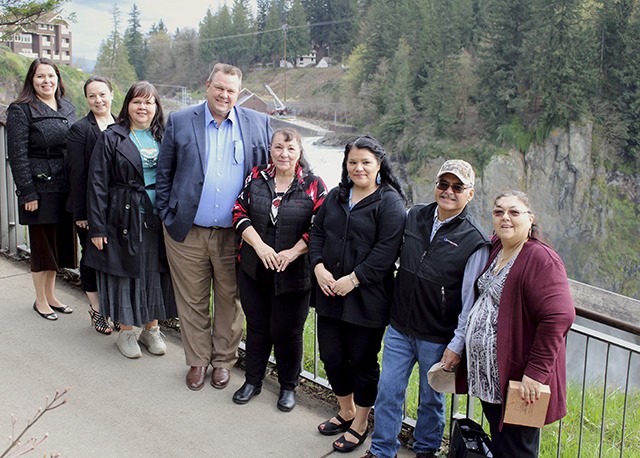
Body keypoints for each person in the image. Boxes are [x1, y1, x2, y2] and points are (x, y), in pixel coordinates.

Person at [362, 160, 490, 458]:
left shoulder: (475, 240)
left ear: (469, 194)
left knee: (431, 400)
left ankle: (426, 451)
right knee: (388, 392)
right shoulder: (415, 215)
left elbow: (470, 301)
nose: (448, 192)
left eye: (457, 187)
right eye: (443, 184)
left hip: (437, 335)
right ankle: (382, 450)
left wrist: (457, 344)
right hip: (399, 327)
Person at [156, 63, 272, 391]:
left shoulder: (258, 123)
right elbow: (164, 173)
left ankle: (223, 361)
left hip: (237, 234)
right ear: (207, 85)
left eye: (231, 90)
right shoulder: (180, 121)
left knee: (229, 299)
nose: (224, 95)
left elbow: (271, 171)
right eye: (219, 88)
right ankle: (197, 361)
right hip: (187, 231)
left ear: (239, 93)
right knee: (191, 300)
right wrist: (167, 213)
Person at [309, 135, 407, 454]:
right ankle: (346, 410)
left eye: (366, 162)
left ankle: (361, 422)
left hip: (367, 300)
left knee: (362, 362)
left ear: (378, 165)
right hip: (329, 292)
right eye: (353, 162)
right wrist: (319, 267)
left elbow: (385, 251)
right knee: (332, 357)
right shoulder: (337, 196)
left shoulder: (389, 202)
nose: (358, 168)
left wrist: (354, 279)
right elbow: (318, 233)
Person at [464, 190, 575, 457]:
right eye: (499, 211)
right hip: (491, 380)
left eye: (514, 212)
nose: (505, 218)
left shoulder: (540, 259)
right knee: (503, 446)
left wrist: (535, 374)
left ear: (530, 218)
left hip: (520, 384)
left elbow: (559, 316)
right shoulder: (499, 247)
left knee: (518, 450)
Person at [231, 128, 327, 411]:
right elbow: (238, 212)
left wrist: (294, 252)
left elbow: (320, 227)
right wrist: (259, 247)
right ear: (270, 149)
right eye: (278, 148)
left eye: (290, 149)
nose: (284, 154)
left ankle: (288, 386)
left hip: (294, 274)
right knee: (258, 327)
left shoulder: (314, 185)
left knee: (288, 332)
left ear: (299, 152)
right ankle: (253, 380)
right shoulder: (256, 176)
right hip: (253, 269)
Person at [85, 81, 175, 359]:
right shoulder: (112, 136)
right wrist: (97, 227)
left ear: (156, 107)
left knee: (155, 272)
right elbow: (97, 183)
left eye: (149, 102)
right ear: (127, 105)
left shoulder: (165, 136)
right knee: (126, 273)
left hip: (158, 215)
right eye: (137, 101)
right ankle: (126, 332)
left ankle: (151, 329)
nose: (143, 107)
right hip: (123, 215)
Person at [6, 57, 77, 321]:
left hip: (66, 185)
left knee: (57, 244)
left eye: (51, 76)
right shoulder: (21, 110)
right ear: (31, 80)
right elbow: (17, 154)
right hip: (40, 186)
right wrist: (27, 192)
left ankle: (52, 295)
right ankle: (40, 299)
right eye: (40, 77)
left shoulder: (67, 106)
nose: (46, 81)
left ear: (58, 78)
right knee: (41, 245)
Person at [67, 75, 117, 334]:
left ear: (112, 95)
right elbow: (76, 174)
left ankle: (115, 310)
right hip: (89, 207)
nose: (98, 100)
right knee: (90, 259)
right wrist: (81, 213)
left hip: (118, 208)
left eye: (102, 94)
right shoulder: (80, 129)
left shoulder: (122, 125)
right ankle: (97, 311)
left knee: (114, 259)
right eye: (92, 96)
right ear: (87, 99)